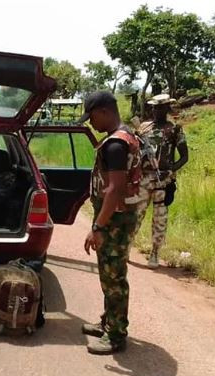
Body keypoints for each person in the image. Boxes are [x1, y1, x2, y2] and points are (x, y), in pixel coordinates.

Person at [80, 91, 142, 355]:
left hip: (114, 221)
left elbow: (114, 190)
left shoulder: (115, 145)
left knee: (113, 278)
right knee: (110, 274)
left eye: (92, 117)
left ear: (104, 111)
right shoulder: (127, 134)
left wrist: (98, 227)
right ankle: (109, 322)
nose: (90, 123)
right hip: (120, 217)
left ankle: (116, 336)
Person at [134, 94, 189, 268]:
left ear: (166, 108)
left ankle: (155, 253)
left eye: (159, 107)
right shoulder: (143, 127)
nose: (155, 110)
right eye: (154, 107)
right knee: (136, 215)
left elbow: (184, 156)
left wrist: (170, 170)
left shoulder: (174, 129)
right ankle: (127, 246)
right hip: (143, 179)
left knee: (160, 219)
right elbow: (134, 152)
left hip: (162, 181)